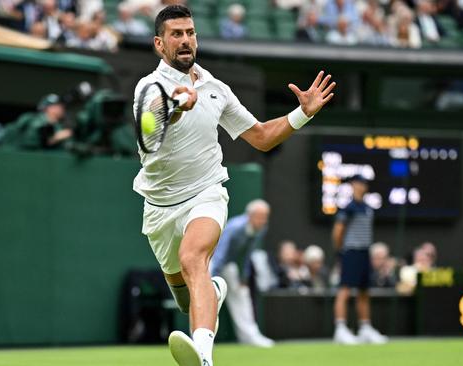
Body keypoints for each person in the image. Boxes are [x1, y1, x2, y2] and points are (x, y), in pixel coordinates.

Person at [132, 5, 335, 366]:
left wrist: (302, 113)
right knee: (186, 296)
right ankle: (212, 293)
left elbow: (260, 137)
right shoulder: (149, 87)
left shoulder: (217, 89)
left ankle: (204, 358)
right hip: (159, 208)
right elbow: (150, 127)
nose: (185, 40)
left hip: (206, 192)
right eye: (176, 34)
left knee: (194, 259)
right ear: (159, 44)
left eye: (190, 33)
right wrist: (177, 104)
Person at [209, 199, 274, 348]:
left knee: (242, 294)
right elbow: (220, 253)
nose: (264, 220)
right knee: (209, 298)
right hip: (212, 261)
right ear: (250, 215)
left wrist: (243, 277)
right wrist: (212, 277)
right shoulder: (235, 227)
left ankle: (249, 336)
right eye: (260, 217)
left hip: (229, 264)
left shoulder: (260, 230)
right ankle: (202, 338)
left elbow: (246, 254)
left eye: (265, 217)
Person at [331, 175, 387, 345]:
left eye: (363, 184)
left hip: (364, 253)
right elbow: (338, 232)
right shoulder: (348, 208)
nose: (361, 186)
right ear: (353, 186)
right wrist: (341, 250)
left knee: (364, 291)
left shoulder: (368, 208)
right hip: (351, 252)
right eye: (358, 183)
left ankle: (365, 328)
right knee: (345, 289)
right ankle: (340, 329)